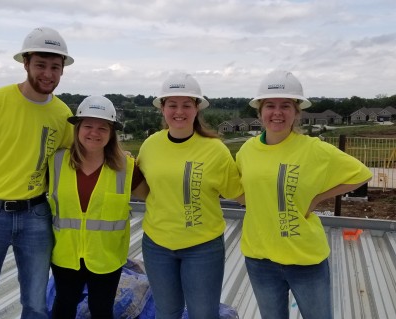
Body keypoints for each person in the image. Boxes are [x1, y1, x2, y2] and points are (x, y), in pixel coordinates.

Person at [234, 70, 373, 319]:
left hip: (305, 259)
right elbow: (243, 192)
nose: (277, 112)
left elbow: (361, 174)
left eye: (285, 106)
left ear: (297, 112)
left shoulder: (313, 149)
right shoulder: (246, 151)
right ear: (260, 111)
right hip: (259, 258)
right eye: (270, 105)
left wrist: (318, 198)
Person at [0, 27, 75, 319]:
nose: (48, 74)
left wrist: (118, 156)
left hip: (36, 217)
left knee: (36, 304)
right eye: (40, 65)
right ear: (25, 63)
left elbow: (81, 156)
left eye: (55, 67)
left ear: (62, 70)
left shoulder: (62, 115)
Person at [136, 73, 240, 319]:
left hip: (202, 248)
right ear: (162, 108)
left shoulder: (215, 150)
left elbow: (239, 193)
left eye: (186, 105)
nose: (179, 111)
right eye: (172, 104)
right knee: (166, 312)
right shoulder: (150, 145)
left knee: (203, 314)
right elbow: (142, 191)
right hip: (157, 245)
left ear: (197, 109)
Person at [47, 95, 147, 319]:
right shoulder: (56, 161)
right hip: (66, 255)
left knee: (101, 310)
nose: (94, 132)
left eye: (103, 127)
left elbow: (154, 199)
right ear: (77, 128)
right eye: (88, 126)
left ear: (111, 133)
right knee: (64, 305)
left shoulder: (126, 167)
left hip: (106, 257)